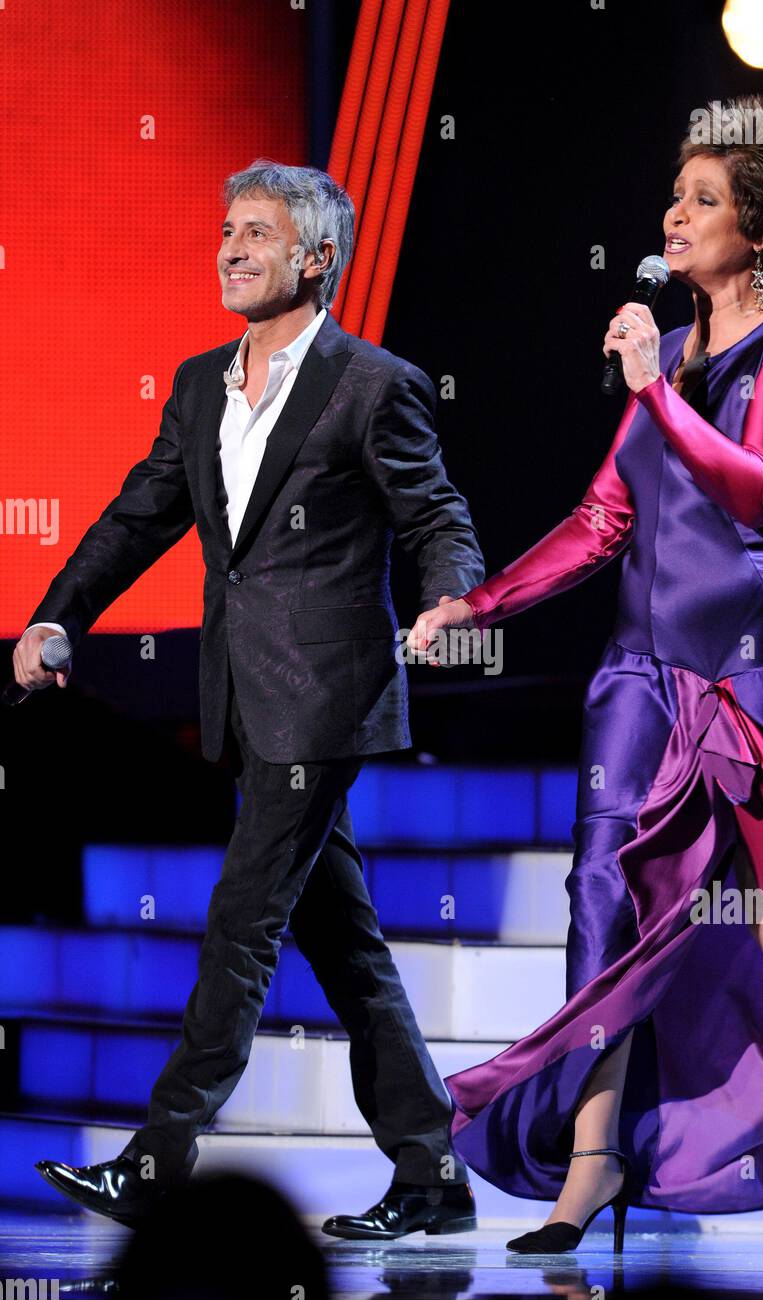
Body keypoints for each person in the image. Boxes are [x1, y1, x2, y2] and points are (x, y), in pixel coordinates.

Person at [409, 96, 763, 1256]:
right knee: (606, 909)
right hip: (639, 673)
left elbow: (761, 493)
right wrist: (476, 602)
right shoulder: (669, 356)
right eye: (676, 195)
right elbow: (601, 520)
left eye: (706, 200)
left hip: (750, 672)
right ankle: (590, 1162)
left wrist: (654, 393)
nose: (676, 215)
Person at [17, 159, 483, 1240]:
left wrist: (454, 590)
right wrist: (57, 617)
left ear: (316, 258)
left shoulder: (372, 383)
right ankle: (432, 1172)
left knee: (241, 919)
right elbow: (139, 516)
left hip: (328, 695)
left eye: (258, 233)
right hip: (243, 695)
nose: (231, 247)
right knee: (345, 941)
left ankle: (158, 1157)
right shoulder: (197, 384)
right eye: (227, 229)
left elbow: (433, 510)